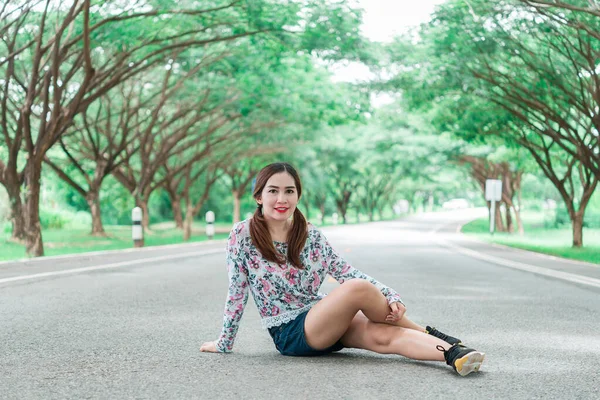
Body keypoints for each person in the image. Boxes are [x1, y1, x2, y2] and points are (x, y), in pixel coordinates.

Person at [200, 162, 485, 376]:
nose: (281, 199)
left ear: (298, 195)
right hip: (291, 333)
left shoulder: (310, 236)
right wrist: (224, 342)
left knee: (383, 336)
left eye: (289, 191)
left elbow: (346, 270)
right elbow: (237, 292)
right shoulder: (243, 235)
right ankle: (434, 334)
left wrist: (391, 295)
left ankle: (453, 353)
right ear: (259, 196)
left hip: (323, 317)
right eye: (273, 191)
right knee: (358, 291)